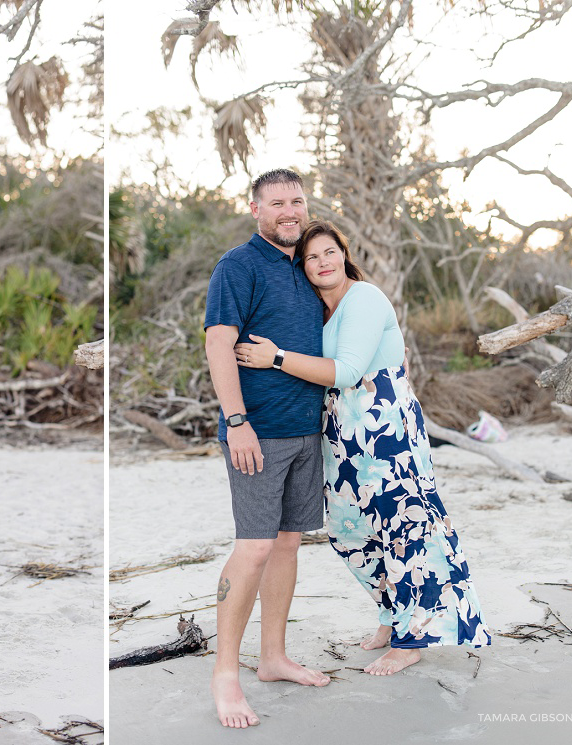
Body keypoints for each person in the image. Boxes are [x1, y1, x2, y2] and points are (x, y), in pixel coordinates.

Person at [234, 219, 492, 676]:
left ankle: (412, 638)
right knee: (352, 529)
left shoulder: (365, 297)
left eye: (329, 251)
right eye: (311, 257)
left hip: (385, 427)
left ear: (343, 253)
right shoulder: (321, 309)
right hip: (342, 431)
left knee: (403, 526)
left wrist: (274, 356)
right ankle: (393, 618)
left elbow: (349, 370)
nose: (321, 262)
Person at [203, 169, 331, 730]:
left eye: (297, 201)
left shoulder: (307, 266)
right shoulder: (238, 265)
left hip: (307, 431)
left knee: (287, 545)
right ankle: (225, 676)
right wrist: (236, 422)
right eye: (277, 202)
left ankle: (273, 657)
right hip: (258, 433)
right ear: (254, 208)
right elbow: (218, 342)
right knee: (253, 547)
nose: (289, 211)